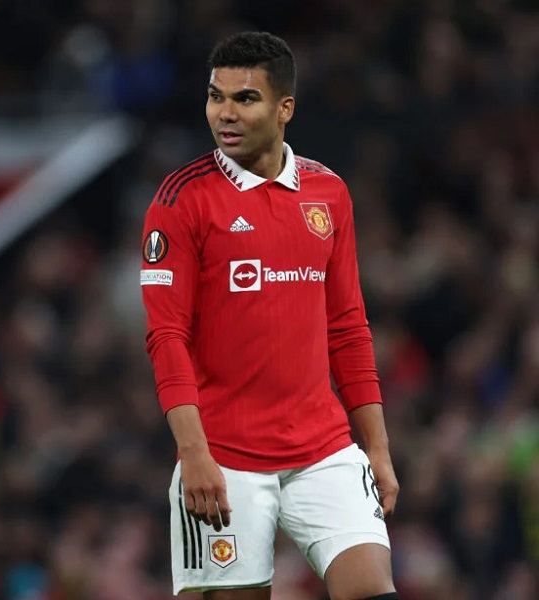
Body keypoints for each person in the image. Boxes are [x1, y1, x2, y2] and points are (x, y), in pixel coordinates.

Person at [140, 32, 400, 600]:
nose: (225, 113)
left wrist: (376, 446)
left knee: (373, 589)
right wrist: (194, 452)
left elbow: (347, 327)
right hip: (225, 457)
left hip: (324, 450)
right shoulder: (181, 200)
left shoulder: (328, 192)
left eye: (245, 98)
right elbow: (166, 335)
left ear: (285, 108)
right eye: (216, 97)